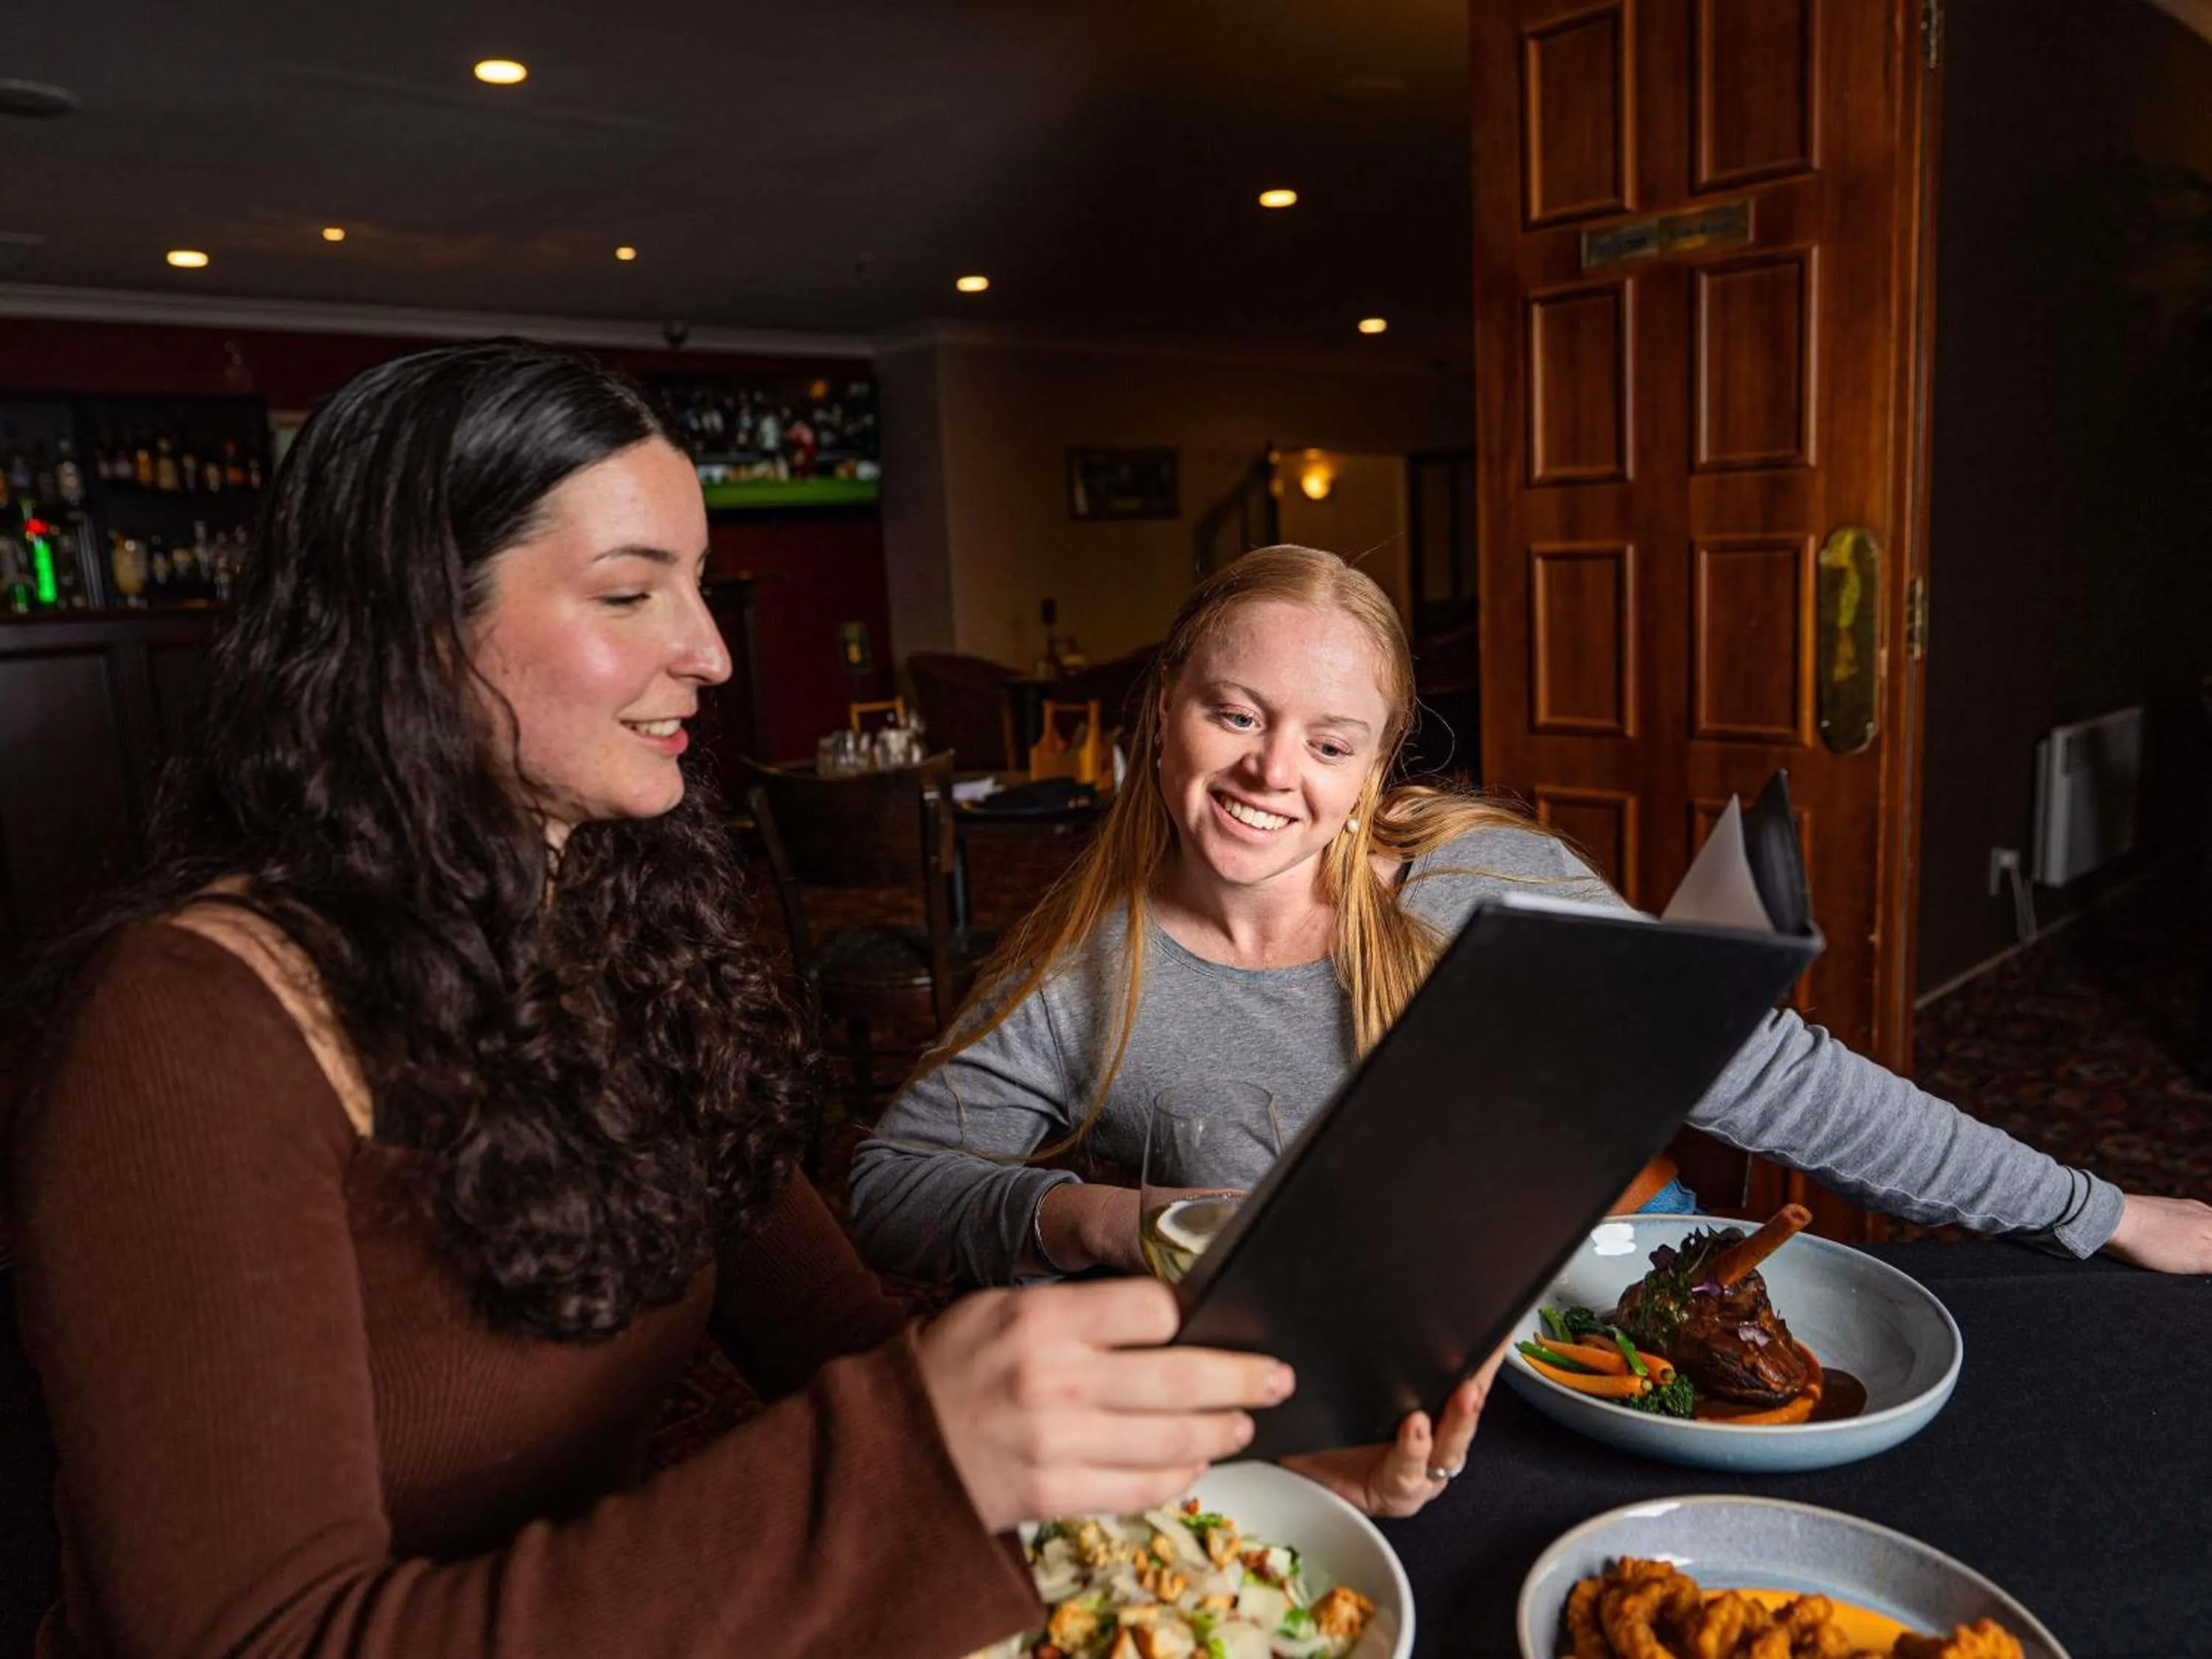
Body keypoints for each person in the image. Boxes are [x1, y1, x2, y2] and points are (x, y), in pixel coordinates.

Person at [0, 342, 1305, 1659]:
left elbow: (837, 1341)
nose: (712, 653)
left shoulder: (620, 942)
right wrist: (919, 1453)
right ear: (409, 624)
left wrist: (1186, 1444)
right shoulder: (189, 1023)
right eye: (630, 593)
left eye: (696, 584)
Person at [849, 545, 2212, 1298]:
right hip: (1320, 1413)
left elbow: (1780, 1082)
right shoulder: (1091, 964)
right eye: (1235, 713)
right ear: (1163, 715)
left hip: (1588, 1326)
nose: (1273, 770)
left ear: (1375, 765)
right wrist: (1117, 1219)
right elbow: (893, 1183)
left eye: (1329, 741)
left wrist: (2099, 1213)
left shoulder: (1479, 884)